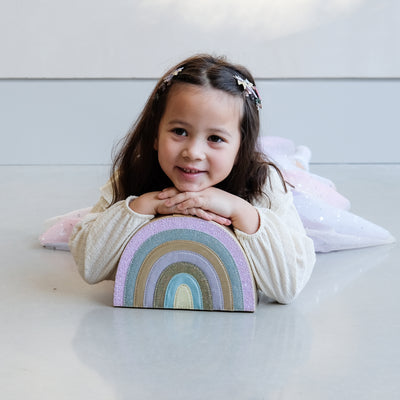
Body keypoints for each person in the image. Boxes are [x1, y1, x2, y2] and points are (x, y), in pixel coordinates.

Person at [69, 54, 316, 304]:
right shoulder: (135, 174)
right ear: (155, 133)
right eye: (179, 132)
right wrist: (144, 205)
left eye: (215, 138)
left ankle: (297, 161)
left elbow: (288, 286)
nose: (193, 153)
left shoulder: (264, 183)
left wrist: (239, 210)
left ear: (242, 148)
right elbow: (91, 267)